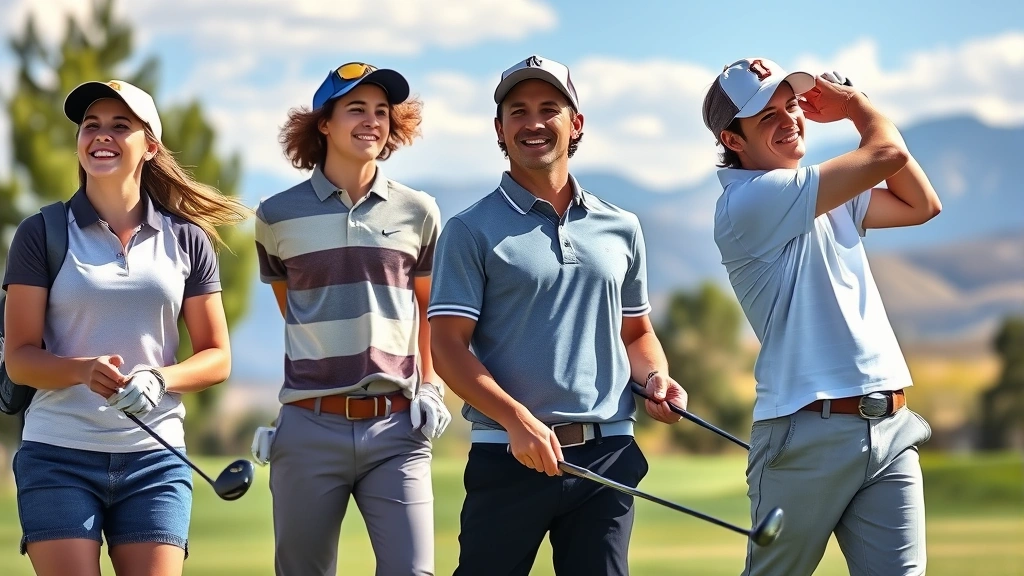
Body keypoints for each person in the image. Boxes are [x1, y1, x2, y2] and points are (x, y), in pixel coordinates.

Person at [429, 54, 688, 576]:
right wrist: (515, 419)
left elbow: (635, 333)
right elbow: (447, 348)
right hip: (508, 454)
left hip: (607, 455)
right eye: (517, 111)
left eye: (550, 108)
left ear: (576, 124)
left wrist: (656, 379)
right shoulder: (469, 229)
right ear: (499, 130)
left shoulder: (622, 226)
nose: (533, 123)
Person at [702, 58, 942, 575]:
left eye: (790, 105)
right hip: (806, 431)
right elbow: (888, 152)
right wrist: (857, 108)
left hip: (889, 425)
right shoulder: (750, 199)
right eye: (766, 116)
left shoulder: (826, 195)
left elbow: (922, 204)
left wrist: (863, 117)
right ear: (733, 139)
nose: (788, 119)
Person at [3, 79, 248, 576]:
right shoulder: (41, 233)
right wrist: (81, 370)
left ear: (150, 147)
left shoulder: (187, 239)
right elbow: (21, 357)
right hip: (58, 454)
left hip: (154, 459)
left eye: (120, 126)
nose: (101, 135)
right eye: (90, 126)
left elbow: (217, 355)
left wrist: (160, 379)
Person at [254, 62, 449, 576]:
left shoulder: (419, 210)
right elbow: (294, 309)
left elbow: (429, 307)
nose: (372, 121)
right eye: (356, 109)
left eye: (382, 112)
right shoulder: (276, 216)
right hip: (308, 426)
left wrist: (428, 386)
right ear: (324, 123)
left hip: (397, 427)